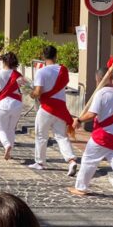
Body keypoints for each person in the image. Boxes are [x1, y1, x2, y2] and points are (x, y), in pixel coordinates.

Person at [72, 64, 113, 205]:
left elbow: (92, 114)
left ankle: (81, 187)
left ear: (100, 79)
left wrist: (78, 119)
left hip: (102, 136)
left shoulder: (101, 94)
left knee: (89, 160)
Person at [29, 45, 77, 175]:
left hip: (46, 108)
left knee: (41, 135)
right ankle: (71, 160)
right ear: (56, 56)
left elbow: (38, 91)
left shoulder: (41, 72)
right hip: (60, 108)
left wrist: (31, 94)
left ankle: (40, 162)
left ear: (43, 57)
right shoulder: (63, 70)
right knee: (62, 136)